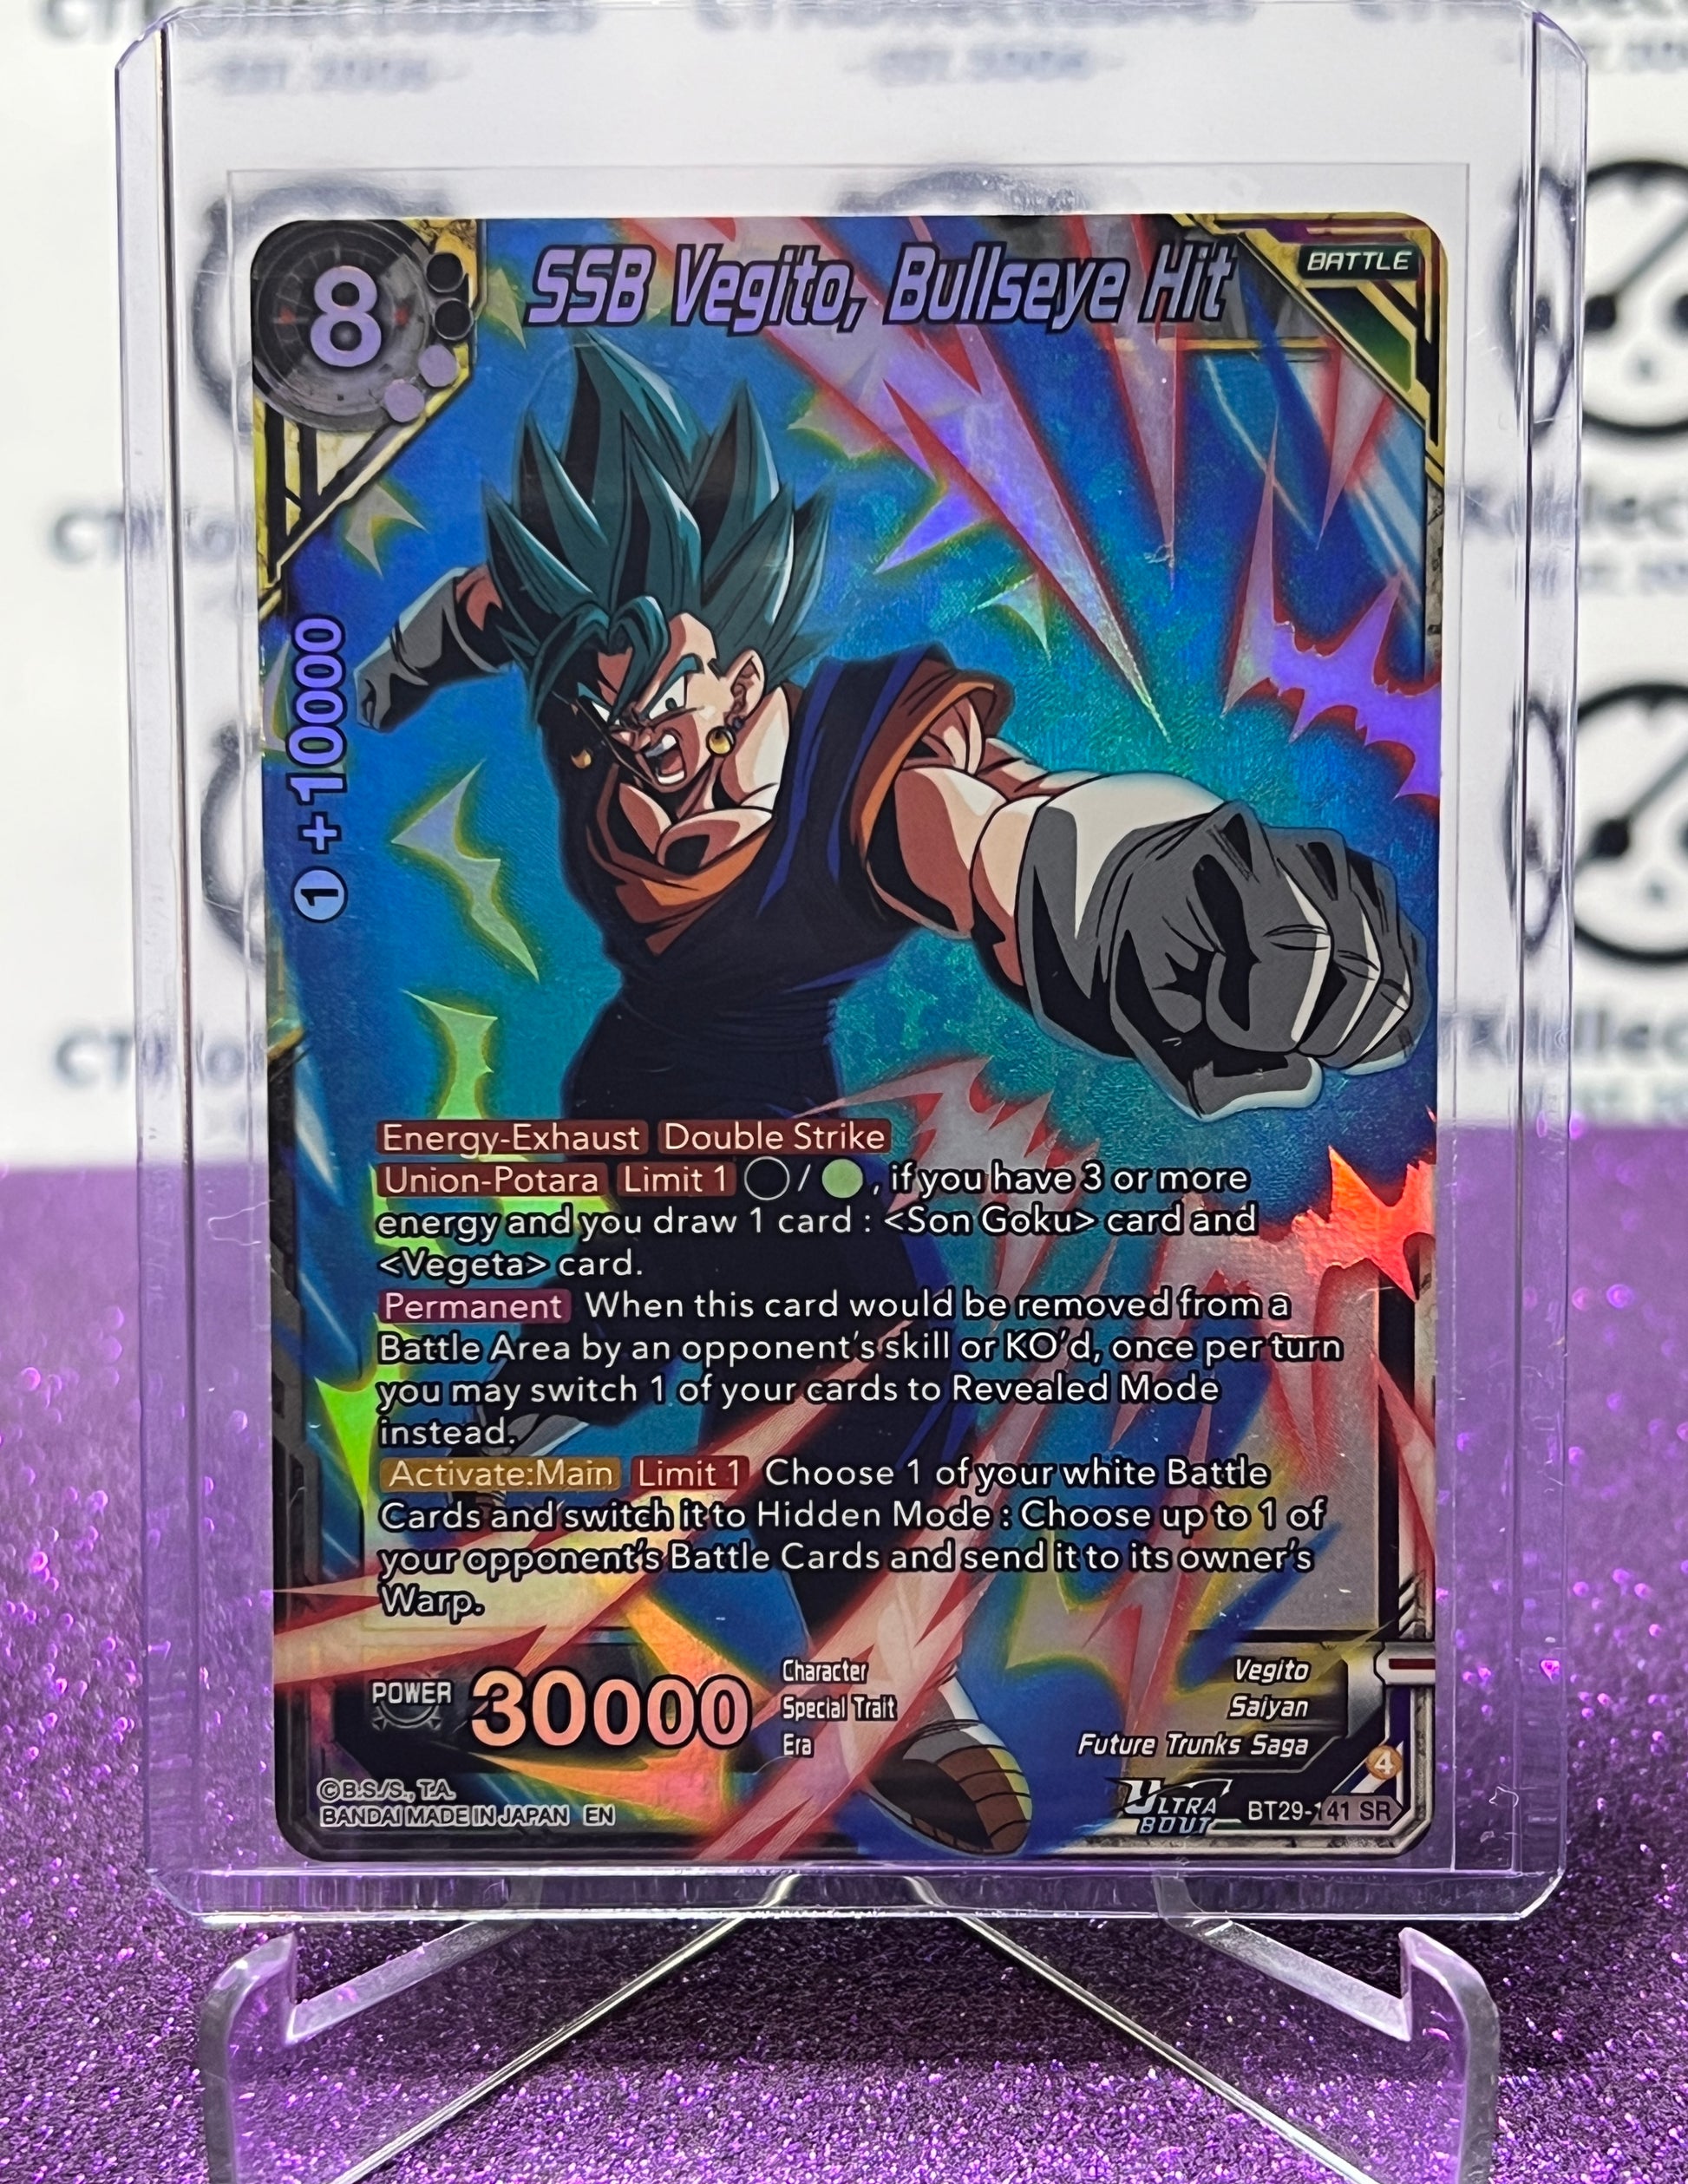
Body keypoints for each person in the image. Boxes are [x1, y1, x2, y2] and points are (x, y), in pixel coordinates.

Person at [355, 338, 1427, 1856]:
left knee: (830, 1338)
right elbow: (491, 609)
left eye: (666, 708)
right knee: (727, 1323)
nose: (642, 761)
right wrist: (386, 671)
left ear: (741, 656)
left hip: (773, 1123)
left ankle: (862, 1673)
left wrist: (1148, 897)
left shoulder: (867, 762)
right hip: (643, 1093)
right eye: (601, 718)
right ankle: (522, 1506)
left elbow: (993, 833)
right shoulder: (587, 662)